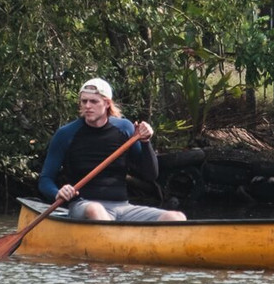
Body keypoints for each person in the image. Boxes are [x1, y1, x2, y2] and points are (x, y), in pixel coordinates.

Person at [37, 77, 186, 221]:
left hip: (122, 207)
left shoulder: (125, 129)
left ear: (107, 103)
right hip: (83, 205)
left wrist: (146, 142)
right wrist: (57, 193)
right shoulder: (66, 134)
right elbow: (45, 179)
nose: (87, 106)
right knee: (96, 209)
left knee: (177, 217)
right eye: (84, 101)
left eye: (94, 101)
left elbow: (150, 175)